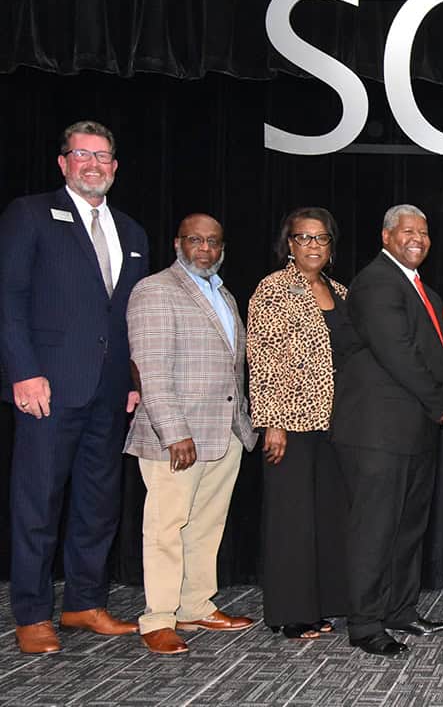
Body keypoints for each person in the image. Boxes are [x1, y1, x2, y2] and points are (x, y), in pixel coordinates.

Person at [0, 120, 146, 654]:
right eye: (82, 154)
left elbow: (130, 316)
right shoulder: (30, 214)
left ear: (114, 167)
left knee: (98, 503)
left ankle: (84, 603)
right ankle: (33, 613)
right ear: (63, 163)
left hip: (108, 394)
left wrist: (132, 379)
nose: (93, 164)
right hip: (47, 387)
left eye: (103, 156)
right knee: (38, 502)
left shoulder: (131, 231)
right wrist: (22, 370)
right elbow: (9, 299)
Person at [329, 204, 443, 656]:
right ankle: (366, 624)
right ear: (386, 236)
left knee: (406, 528)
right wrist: (442, 400)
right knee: (374, 529)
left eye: (423, 233)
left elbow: (436, 352)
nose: (417, 239)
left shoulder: (420, 287)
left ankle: (400, 610)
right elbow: (399, 353)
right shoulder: (376, 282)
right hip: (376, 434)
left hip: (413, 431)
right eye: (407, 231)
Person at [124, 214, 259, 655]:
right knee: (165, 526)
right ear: (177, 243)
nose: (206, 248)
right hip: (178, 437)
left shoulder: (223, 293)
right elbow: (151, 370)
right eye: (196, 240)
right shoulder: (155, 290)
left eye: (214, 242)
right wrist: (173, 431)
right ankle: (158, 618)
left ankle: (195, 604)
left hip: (223, 432)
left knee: (205, 525)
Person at [247, 207, 352, 641]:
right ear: (288, 244)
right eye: (303, 238)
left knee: (329, 517)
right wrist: (272, 421)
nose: (312, 245)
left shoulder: (341, 290)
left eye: (321, 238)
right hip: (291, 422)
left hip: (336, 424)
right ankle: (292, 613)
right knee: (291, 520)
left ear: (331, 245)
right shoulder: (273, 289)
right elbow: (263, 356)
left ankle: (325, 603)